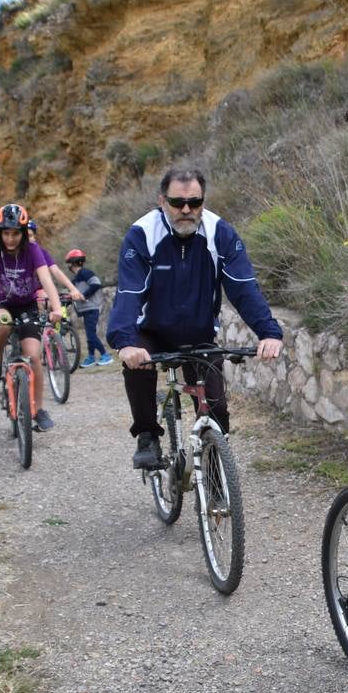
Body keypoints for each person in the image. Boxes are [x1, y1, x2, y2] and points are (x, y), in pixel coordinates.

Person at [107, 166, 284, 468]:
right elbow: (130, 293)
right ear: (162, 201)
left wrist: (269, 332)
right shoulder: (142, 234)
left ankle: (217, 475)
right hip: (151, 330)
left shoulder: (220, 233)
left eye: (195, 202)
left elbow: (243, 289)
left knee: (217, 410)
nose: (186, 210)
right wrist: (124, 342)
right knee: (138, 366)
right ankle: (147, 434)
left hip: (198, 333)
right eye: (177, 202)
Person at [0, 203, 65, 432]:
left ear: (23, 233)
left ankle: (37, 409)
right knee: (2, 322)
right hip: (0, 303)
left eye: (16, 233)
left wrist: (57, 309)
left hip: (27, 305)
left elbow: (47, 280)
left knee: (33, 355)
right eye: (6, 233)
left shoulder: (33, 250)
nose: (11, 239)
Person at [65, 248, 112, 366]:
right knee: (89, 335)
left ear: (73, 263)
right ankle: (91, 357)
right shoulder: (75, 279)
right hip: (85, 310)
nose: (69, 266)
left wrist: (84, 295)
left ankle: (105, 355)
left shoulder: (85, 273)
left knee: (91, 335)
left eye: (69, 264)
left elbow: (96, 284)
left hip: (91, 308)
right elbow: (74, 295)